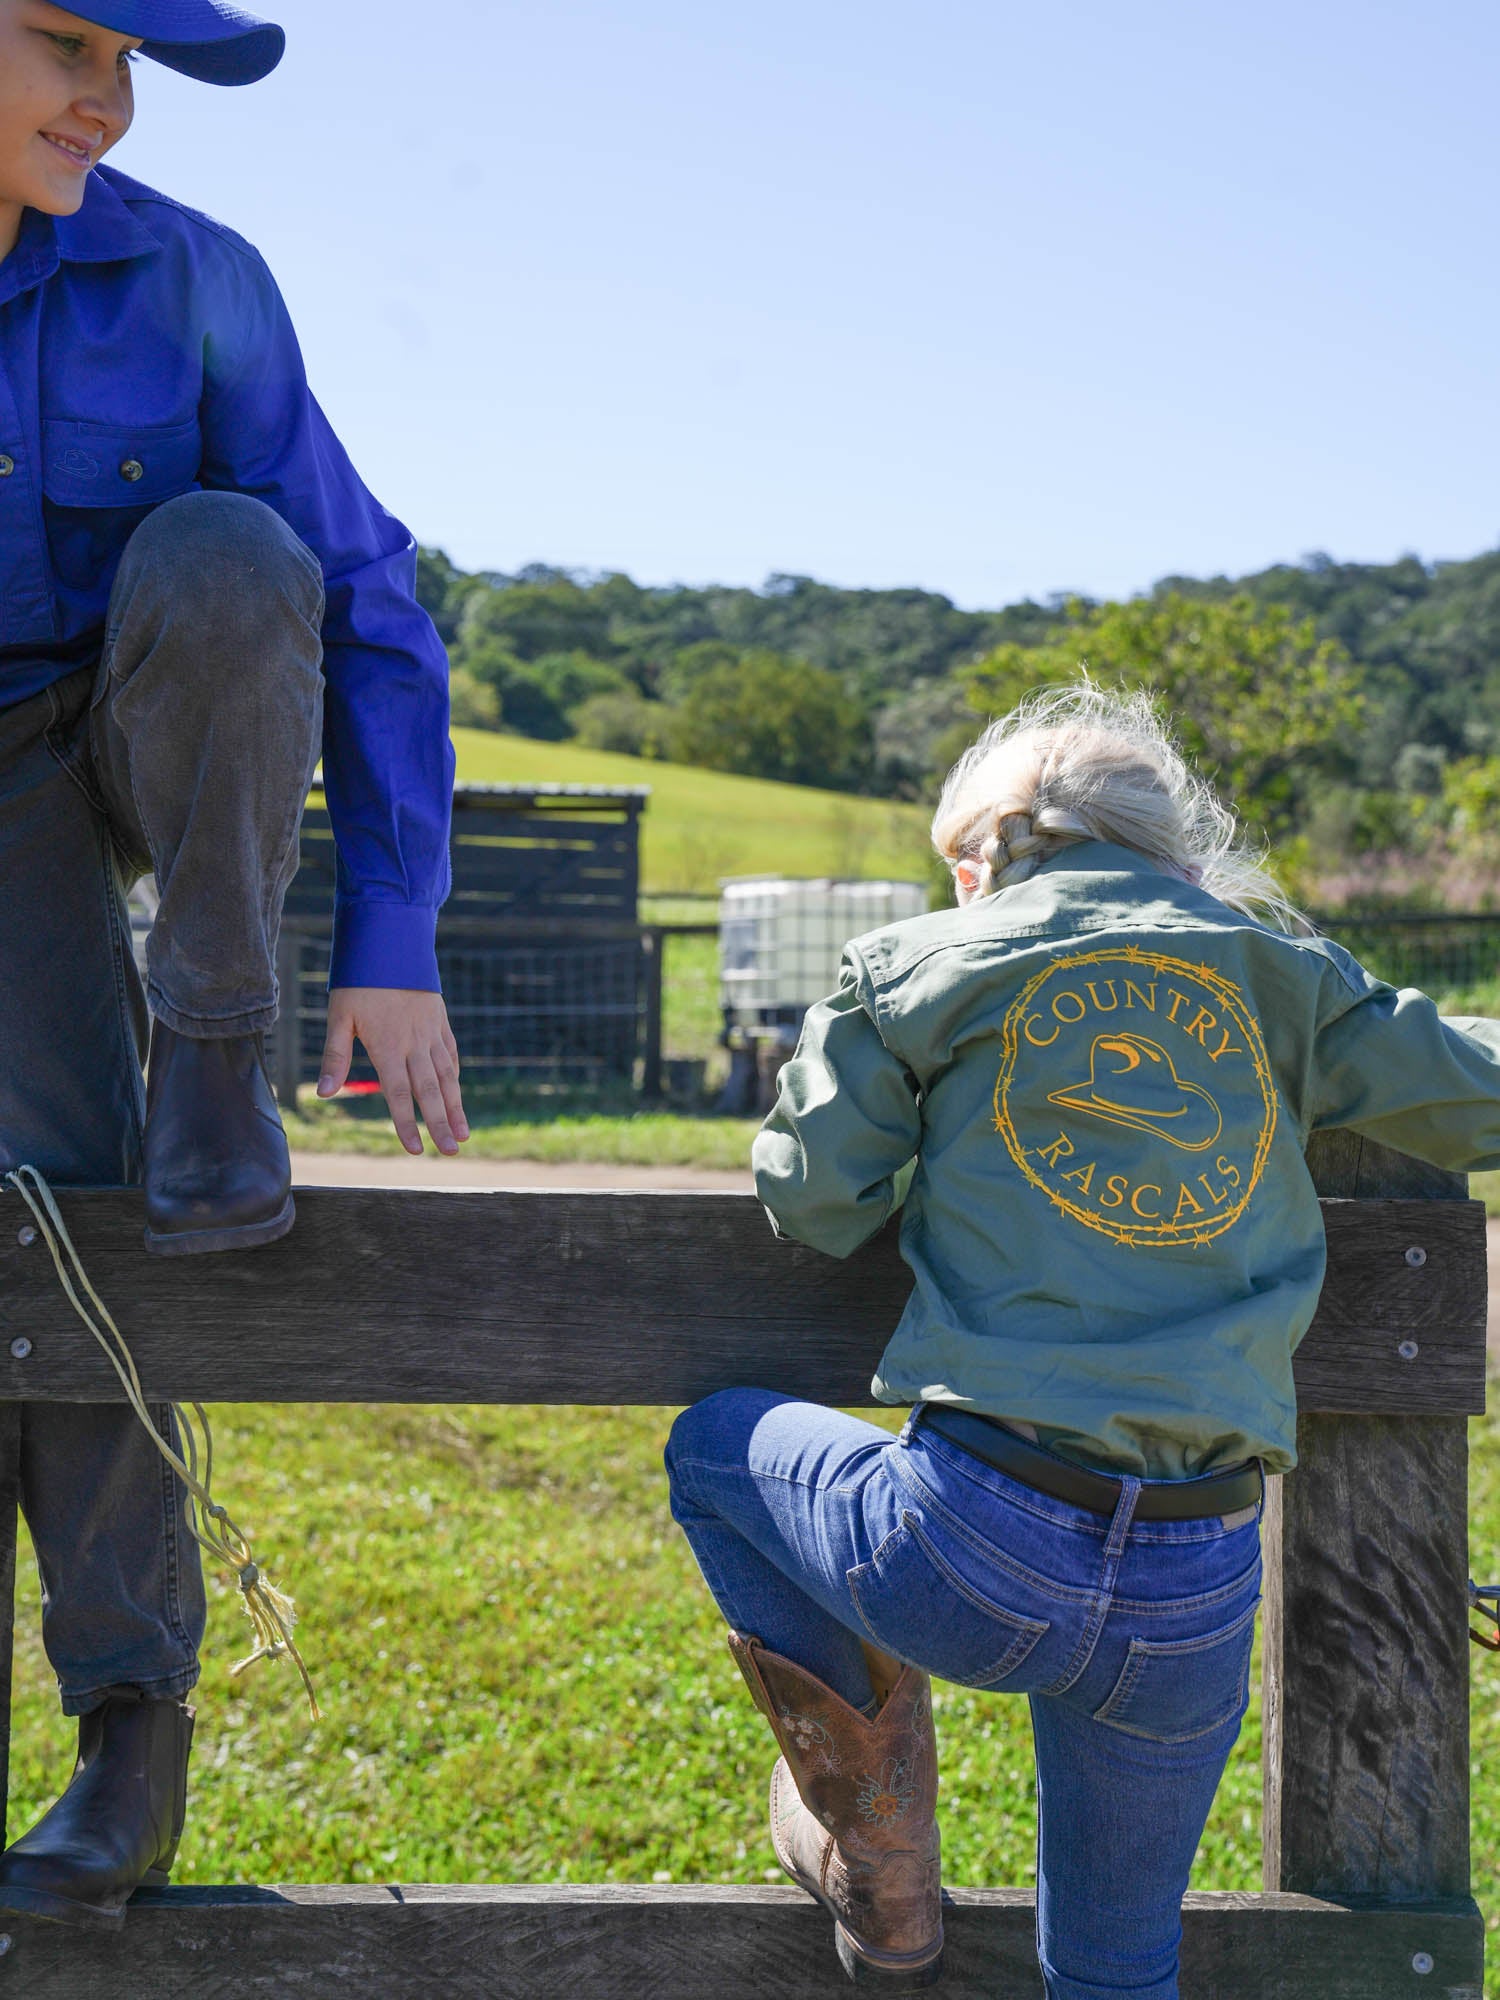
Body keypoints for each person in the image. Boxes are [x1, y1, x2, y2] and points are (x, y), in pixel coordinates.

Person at [665, 682, 1500, 1997]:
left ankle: (875, 1834)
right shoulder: (1282, 977)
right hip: (1197, 1583)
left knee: (712, 1451)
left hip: (970, 1544)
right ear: (1176, 856)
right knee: (1118, 1971)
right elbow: (1478, 1097)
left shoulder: (922, 968)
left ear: (972, 860)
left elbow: (816, 1202)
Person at [0, 0, 468, 1922]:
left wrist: (391, 937)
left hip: (90, 733)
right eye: (62, 41)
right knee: (41, 1177)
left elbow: (358, 590)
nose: (108, 95)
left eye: (136, 61)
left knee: (225, 548)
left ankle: (133, 1726)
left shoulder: (194, 275)